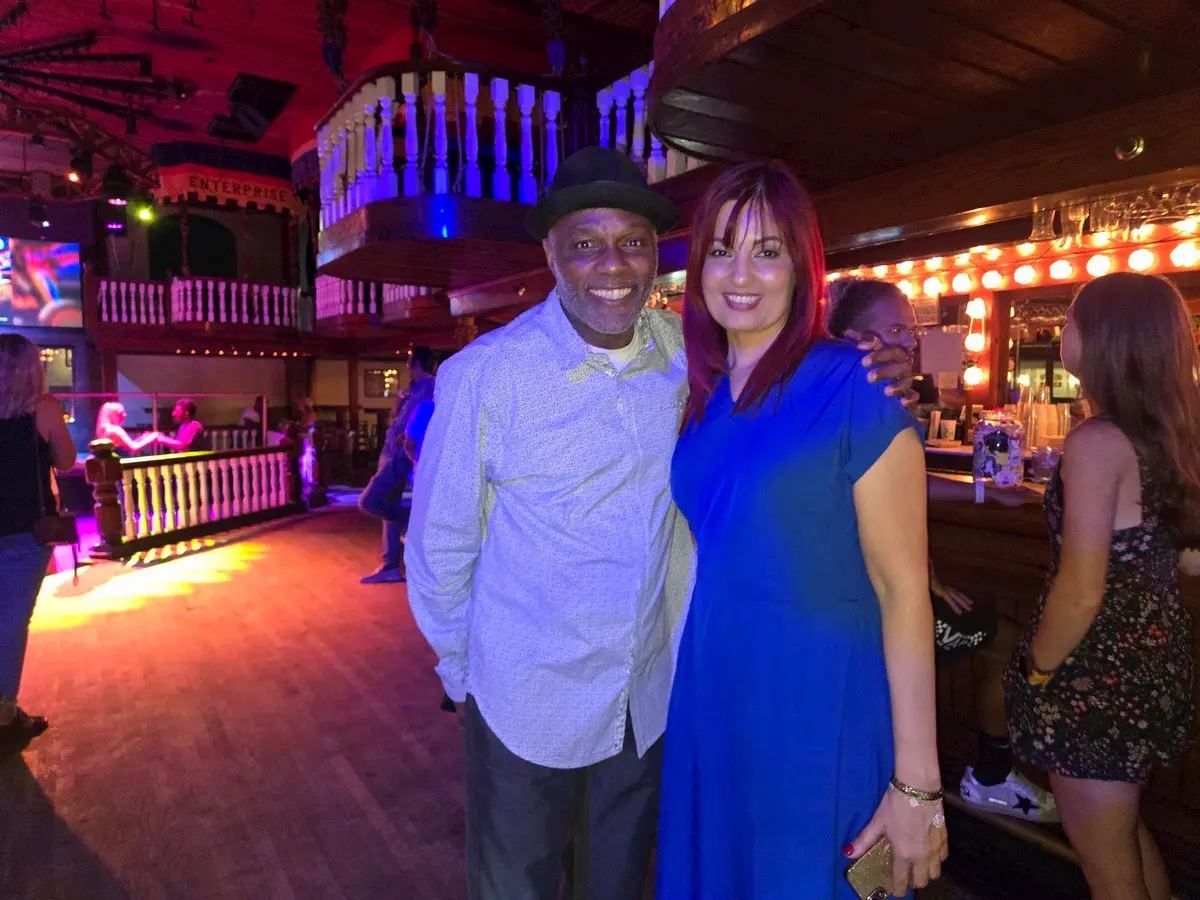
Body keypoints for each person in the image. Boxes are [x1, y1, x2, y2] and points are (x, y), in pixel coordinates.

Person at [405, 147, 914, 900]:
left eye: (633, 242)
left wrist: (873, 362)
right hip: (523, 699)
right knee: (516, 889)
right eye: (585, 244)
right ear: (550, 253)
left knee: (618, 888)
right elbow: (439, 549)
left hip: (647, 699)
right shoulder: (486, 375)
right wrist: (468, 677)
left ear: (657, 256)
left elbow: (791, 387)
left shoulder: (688, 359)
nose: (612, 264)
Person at [656, 162, 944, 899]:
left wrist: (918, 783)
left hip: (818, 700)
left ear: (803, 266)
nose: (740, 273)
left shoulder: (856, 386)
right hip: (714, 689)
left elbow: (904, 588)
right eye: (721, 250)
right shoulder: (706, 394)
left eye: (767, 249)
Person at [828, 277, 1058, 824]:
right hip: (868, 599)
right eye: (896, 328)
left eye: (912, 328)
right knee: (1006, 644)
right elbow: (891, 484)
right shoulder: (868, 392)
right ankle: (990, 777)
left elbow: (890, 484)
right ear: (858, 337)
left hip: (867, 591)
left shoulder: (859, 391)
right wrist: (987, 494)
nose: (910, 340)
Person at [1004, 272, 1198, 900]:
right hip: (1152, 661)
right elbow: (1189, 561)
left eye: (1071, 321)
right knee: (1123, 834)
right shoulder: (1172, 434)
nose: (1061, 332)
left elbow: (1082, 590)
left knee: (1104, 862)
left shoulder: (1096, 442)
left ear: (1103, 341)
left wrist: (1035, 671)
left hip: (1093, 674)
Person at [0, 334, 75, 755]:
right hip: (26, 532)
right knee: (11, 624)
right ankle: (5, 715)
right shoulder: (43, 409)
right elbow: (65, 461)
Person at [359, 347, 436, 585]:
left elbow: (425, 419)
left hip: (400, 456)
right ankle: (391, 566)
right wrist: (399, 401)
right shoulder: (413, 389)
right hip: (391, 452)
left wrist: (412, 439)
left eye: (409, 363)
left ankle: (413, 523)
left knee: (368, 501)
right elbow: (397, 417)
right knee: (388, 507)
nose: (406, 368)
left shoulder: (430, 388)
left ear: (417, 365)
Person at [95, 402, 161, 454]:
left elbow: (127, 445)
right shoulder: (115, 431)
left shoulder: (104, 430)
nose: (125, 415)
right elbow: (134, 448)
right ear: (113, 414)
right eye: (121, 413)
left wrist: (142, 439)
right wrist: (152, 437)